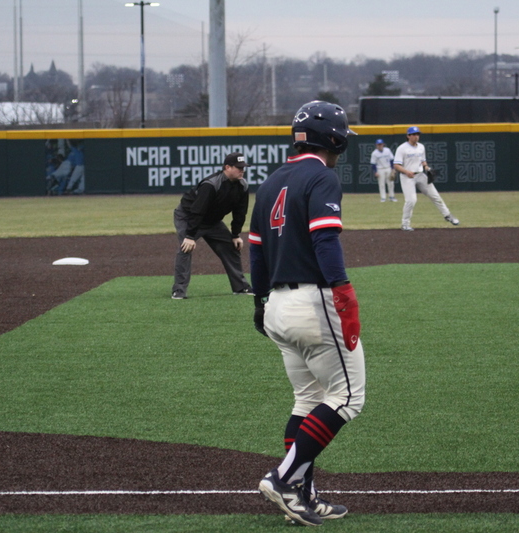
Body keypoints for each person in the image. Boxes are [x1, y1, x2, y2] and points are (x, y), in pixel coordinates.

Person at [249, 101, 366, 526]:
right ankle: (283, 480)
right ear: (333, 139)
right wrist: (344, 292)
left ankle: (302, 496)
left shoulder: (269, 182)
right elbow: (325, 242)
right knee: (348, 397)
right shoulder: (322, 176)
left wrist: (259, 303)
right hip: (313, 302)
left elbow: (257, 254)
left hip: (278, 305)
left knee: (308, 399)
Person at [171, 152, 254, 299]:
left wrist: (235, 235)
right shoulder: (211, 184)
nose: (242, 170)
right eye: (238, 167)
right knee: (185, 248)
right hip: (188, 216)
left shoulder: (242, 186)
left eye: (243, 167)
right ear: (227, 167)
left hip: (212, 221)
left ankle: (240, 287)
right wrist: (190, 236)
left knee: (231, 247)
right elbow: (197, 211)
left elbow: (240, 213)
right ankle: (179, 290)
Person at [393, 126, 460, 231]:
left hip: (420, 175)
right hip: (407, 177)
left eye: (418, 134)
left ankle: (448, 215)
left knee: (435, 196)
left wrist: (426, 167)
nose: (416, 136)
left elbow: (423, 160)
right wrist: (406, 171)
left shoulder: (421, 147)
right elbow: (396, 165)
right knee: (411, 200)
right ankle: (405, 224)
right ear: (408, 136)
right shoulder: (402, 148)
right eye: (414, 134)